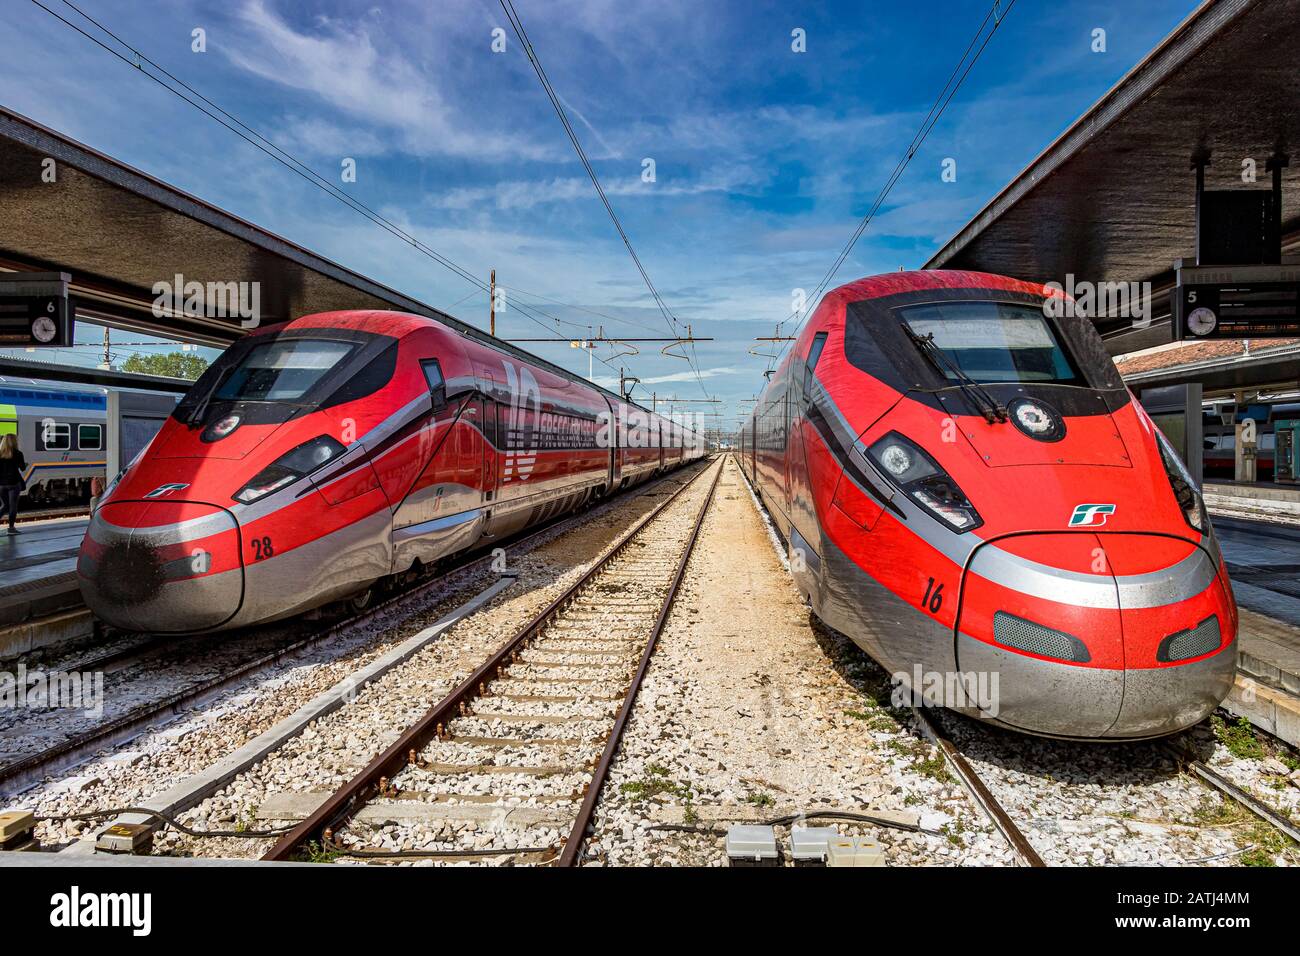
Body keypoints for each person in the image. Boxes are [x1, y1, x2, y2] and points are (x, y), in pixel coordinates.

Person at [0, 433, 26, 535]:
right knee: (13, 506)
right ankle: (11, 529)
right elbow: (23, 468)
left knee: (4, 506)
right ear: (14, 442)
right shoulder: (18, 453)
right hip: (14, 484)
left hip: (1, 484)